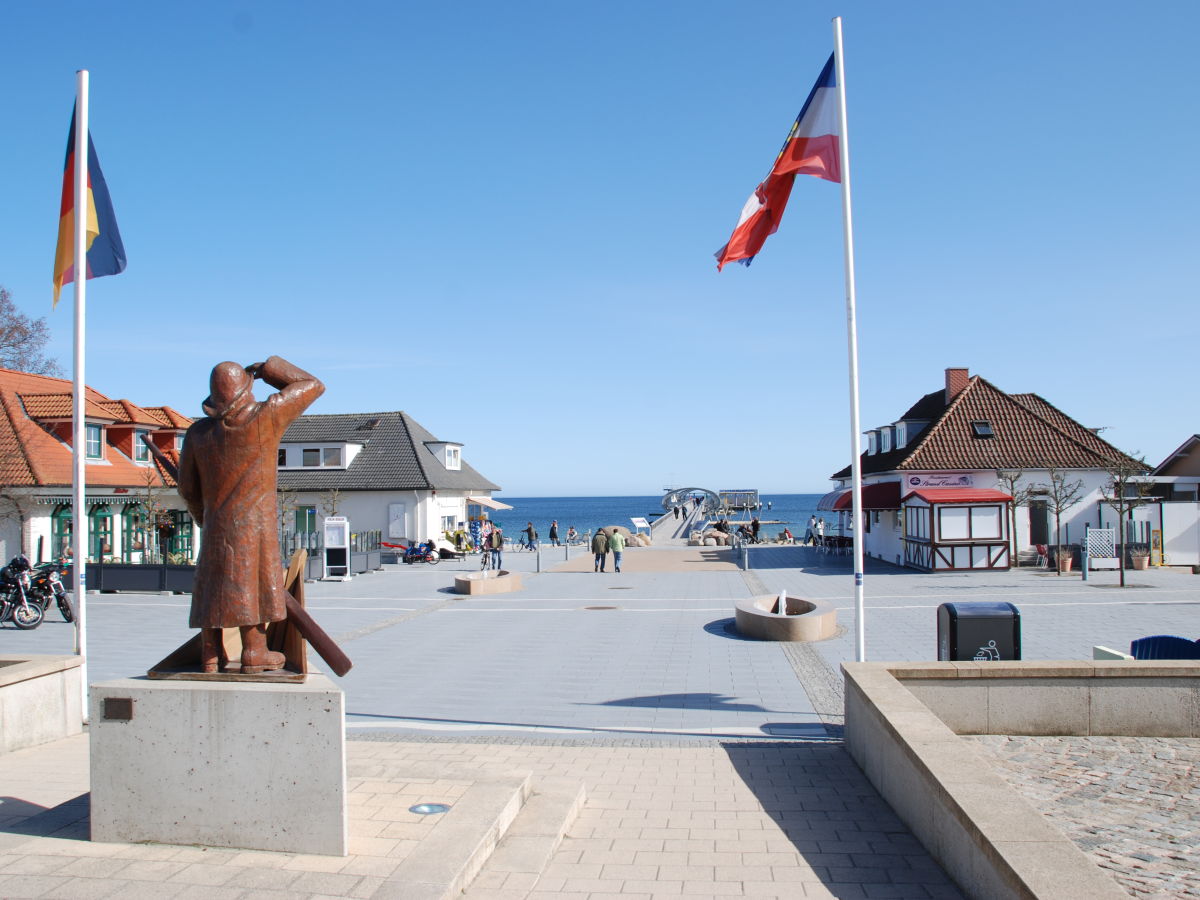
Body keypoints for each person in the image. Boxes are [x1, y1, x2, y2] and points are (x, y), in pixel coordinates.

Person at [178, 355, 323, 674]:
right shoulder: (264, 417)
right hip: (254, 526)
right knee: (253, 580)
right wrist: (268, 369)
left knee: (214, 581)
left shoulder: (197, 434)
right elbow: (312, 385)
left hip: (215, 525)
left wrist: (205, 518)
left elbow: (187, 487)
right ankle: (255, 651)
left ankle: (211, 653)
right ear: (246, 390)